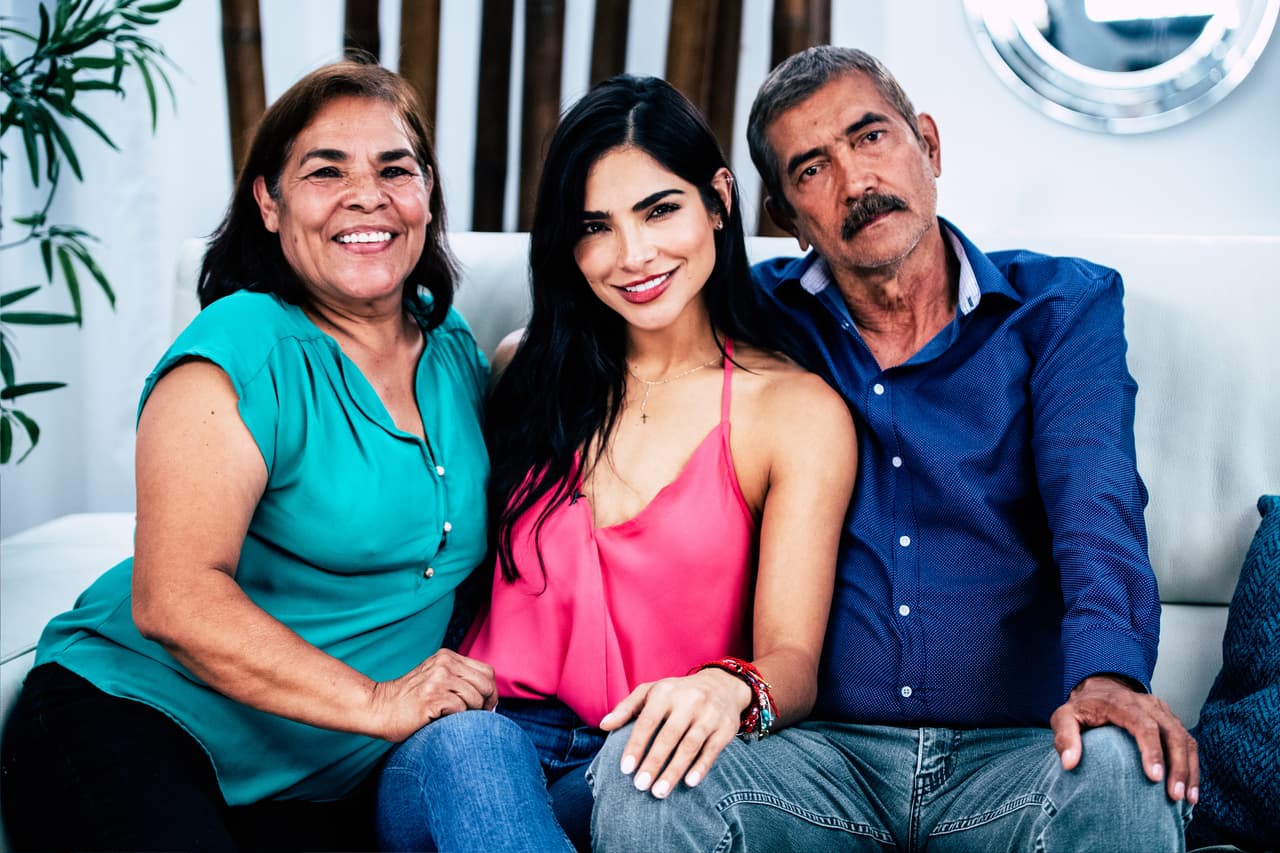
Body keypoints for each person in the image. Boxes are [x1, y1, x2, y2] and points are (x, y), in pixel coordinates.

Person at [590, 46, 1198, 852]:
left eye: (871, 137)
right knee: (648, 777)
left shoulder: (1062, 307)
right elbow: (615, 332)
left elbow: (1097, 503)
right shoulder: (754, 322)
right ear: (784, 214)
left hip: (1021, 754)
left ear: (929, 145)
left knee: (1124, 769)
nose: (854, 182)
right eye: (812, 169)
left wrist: (1108, 678)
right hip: (816, 758)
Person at [0, 60, 496, 852]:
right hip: (141, 720)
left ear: (427, 193)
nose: (367, 194)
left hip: (322, 779)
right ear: (268, 202)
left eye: (394, 169)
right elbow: (175, 598)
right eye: (324, 170)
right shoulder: (237, 351)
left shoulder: (453, 350)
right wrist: (378, 702)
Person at [374, 74, 857, 852]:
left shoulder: (793, 412)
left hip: (631, 759)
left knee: (642, 786)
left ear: (719, 199)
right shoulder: (519, 369)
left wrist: (725, 685)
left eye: (660, 209)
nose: (634, 255)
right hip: (462, 752)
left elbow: (793, 659)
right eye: (596, 226)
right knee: (477, 747)